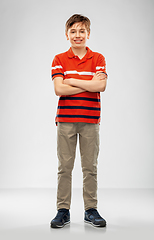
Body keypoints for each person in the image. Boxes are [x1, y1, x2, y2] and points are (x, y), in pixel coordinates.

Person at [50, 14, 107, 228]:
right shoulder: (59, 59)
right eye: (73, 31)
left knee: (89, 167)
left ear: (88, 34)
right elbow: (59, 89)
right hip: (65, 120)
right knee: (65, 167)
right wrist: (86, 82)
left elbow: (100, 86)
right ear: (67, 35)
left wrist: (71, 80)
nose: (77, 35)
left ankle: (90, 210)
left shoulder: (98, 58)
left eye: (82, 31)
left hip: (91, 120)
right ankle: (62, 210)